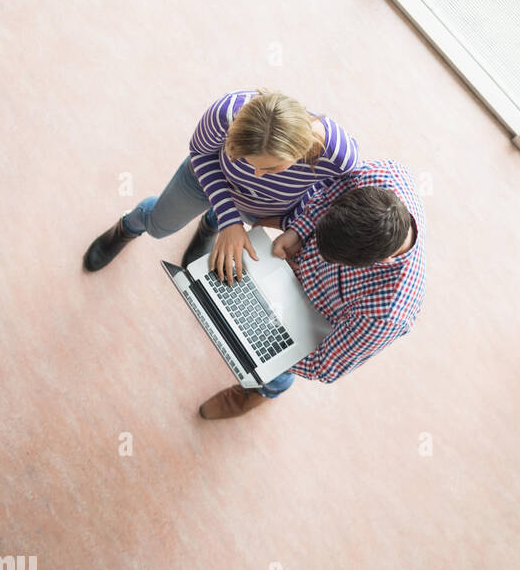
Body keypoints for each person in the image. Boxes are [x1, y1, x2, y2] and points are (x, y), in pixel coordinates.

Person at [197, 158, 426, 420]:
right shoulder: (380, 175)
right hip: (287, 268)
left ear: (379, 263)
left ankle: (266, 391)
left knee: (276, 372)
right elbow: (328, 191)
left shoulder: (388, 313)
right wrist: (299, 231)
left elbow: (324, 365)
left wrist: (256, 333)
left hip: (310, 325)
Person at [82, 90, 359, 279]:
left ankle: (210, 223)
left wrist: (294, 226)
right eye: (248, 161)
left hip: (269, 206)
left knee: (224, 222)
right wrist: (231, 220)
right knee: (158, 227)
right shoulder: (225, 114)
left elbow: (332, 200)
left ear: (302, 148)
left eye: (272, 168)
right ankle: (130, 225)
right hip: (209, 179)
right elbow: (200, 153)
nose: (258, 175)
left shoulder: (341, 156)